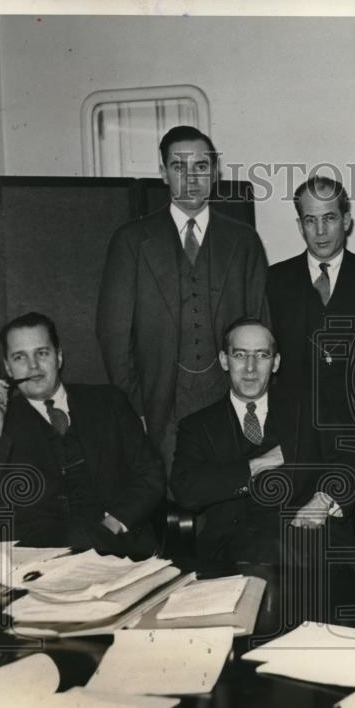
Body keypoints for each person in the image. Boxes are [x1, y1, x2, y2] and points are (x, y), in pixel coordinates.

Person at [96, 125, 270, 471]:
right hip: (160, 406)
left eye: (201, 166)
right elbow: (113, 333)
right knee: (171, 490)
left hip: (229, 401)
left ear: (215, 172)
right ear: (163, 173)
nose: (191, 178)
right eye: (179, 166)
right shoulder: (131, 241)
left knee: (230, 488)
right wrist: (137, 408)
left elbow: (261, 324)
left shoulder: (244, 240)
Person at [169, 318, 355, 568]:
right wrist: (257, 465)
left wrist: (323, 500)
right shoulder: (197, 426)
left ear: (275, 363)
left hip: (311, 541)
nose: (250, 368)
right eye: (240, 355)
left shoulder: (309, 409)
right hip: (233, 550)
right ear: (224, 360)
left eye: (261, 355)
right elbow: (186, 490)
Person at [0, 312, 164, 556]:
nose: (33, 366)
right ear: (8, 368)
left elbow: (151, 474)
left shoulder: (109, 402)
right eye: (20, 357)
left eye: (42, 353)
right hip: (40, 561)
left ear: (59, 357)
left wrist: (115, 523)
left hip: (120, 550)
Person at [267, 176, 355, 463]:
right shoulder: (274, 280)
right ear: (300, 225)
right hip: (291, 437)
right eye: (310, 220)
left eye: (329, 218)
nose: (320, 231)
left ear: (346, 220)